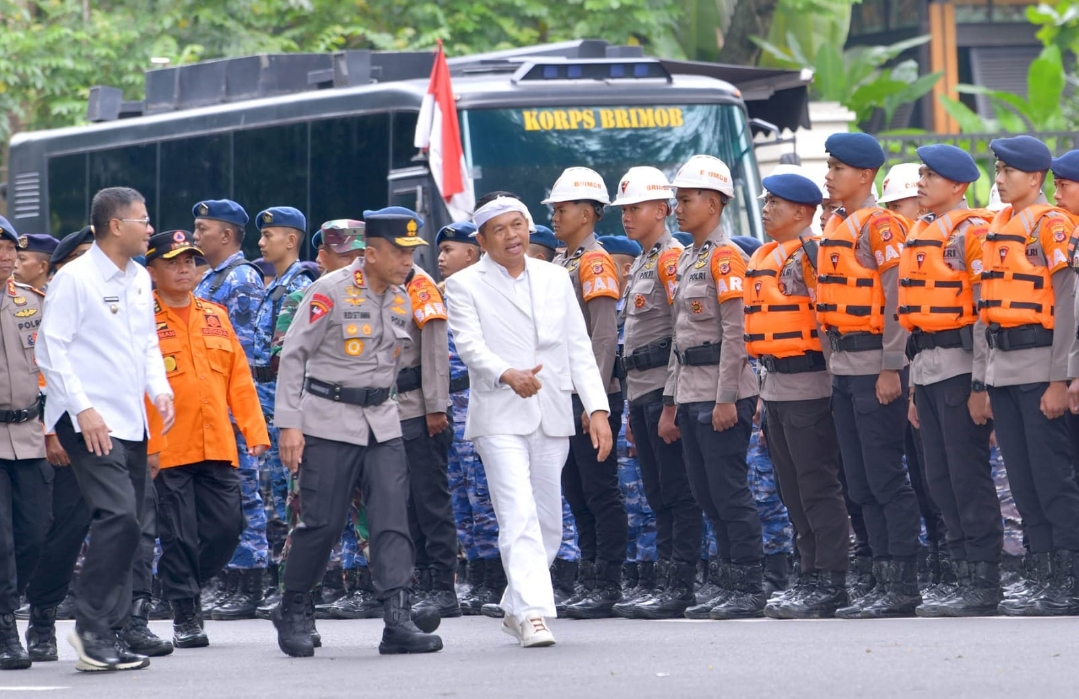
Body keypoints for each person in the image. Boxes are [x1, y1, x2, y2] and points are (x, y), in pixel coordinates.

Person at [273, 206, 442, 657]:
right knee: (322, 523)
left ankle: (397, 619)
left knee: (391, 519)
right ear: (371, 252)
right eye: (400, 252)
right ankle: (294, 609)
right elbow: (293, 357)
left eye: (412, 253)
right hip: (328, 419)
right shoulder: (328, 291)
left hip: (382, 422)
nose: (408, 262)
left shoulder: (403, 296)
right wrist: (290, 424)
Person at [445, 195, 612, 648]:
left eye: (517, 225)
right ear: (481, 241)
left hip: (553, 410)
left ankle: (514, 602)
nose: (511, 235)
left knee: (548, 522)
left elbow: (578, 347)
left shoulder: (556, 277)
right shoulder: (463, 286)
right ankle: (535, 614)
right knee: (516, 513)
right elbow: (470, 346)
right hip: (499, 412)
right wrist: (505, 373)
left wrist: (597, 410)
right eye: (498, 230)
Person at [37, 186, 175, 672]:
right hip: (88, 420)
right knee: (117, 516)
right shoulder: (74, 278)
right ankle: (90, 630)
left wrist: (159, 390)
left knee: (131, 524)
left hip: (129, 419)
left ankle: (110, 632)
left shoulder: (138, 277)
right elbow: (51, 349)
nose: (150, 228)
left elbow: (146, 346)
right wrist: (82, 409)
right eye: (144, 219)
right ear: (116, 225)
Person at [143, 229, 270, 647]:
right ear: (152, 269)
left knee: (227, 528)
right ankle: (185, 613)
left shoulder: (215, 314)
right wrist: (148, 448)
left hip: (217, 443)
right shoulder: (141, 318)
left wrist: (255, 431)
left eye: (190, 261)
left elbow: (239, 380)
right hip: (168, 447)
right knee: (178, 535)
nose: (184, 269)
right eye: (173, 262)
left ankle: (178, 585)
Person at [817, 133, 922, 620]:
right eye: (829, 166)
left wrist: (890, 366)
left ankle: (901, 581)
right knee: (858, 482)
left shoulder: (881, 226)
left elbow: (898, 299)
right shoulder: (838, 224)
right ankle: (879, 576)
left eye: (837, 168)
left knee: (885, 477)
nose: (829, 175)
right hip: (842, 369)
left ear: (865, 176)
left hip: (873, 368)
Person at [895, 145, 1003, 617]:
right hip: (928, 370)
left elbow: (984, 313)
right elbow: (915, 324)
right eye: (920, 173)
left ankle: (983, 579)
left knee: (966, 476)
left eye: (931, 175)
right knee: (939, 478)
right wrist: (915, 389)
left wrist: (982, 385)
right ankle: (961, 572)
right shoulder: (920, 232)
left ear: (958, 186)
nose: (921, 181)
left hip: (962, 368)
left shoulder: (973, 232)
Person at [741, 173, 850, 620]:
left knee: (816, 485)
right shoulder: (766, 254)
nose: (766, 209)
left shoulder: (812, 254)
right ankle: (809, 573)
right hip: (776, 385)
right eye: (765, 201)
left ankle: (831, 579)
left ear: (802, 213)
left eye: (775, 203)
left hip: (810, 384)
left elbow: (828, 323)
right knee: (791, 489)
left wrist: (834, 384)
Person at [982, 136, 1079, 617]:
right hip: (1004, 371)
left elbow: (1067, 305)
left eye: (1007, 171)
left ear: (1034, 178)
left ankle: (1069, 579)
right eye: (996, 170)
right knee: (1023, 482)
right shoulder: (998, 226)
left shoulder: (1053, 225)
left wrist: (1060, 379)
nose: (998, 179)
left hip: (1041, 367)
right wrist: (985, 380)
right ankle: (1043, 575)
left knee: (1052, 480)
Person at [664, 155, 764, 620]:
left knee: (728, 490)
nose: (677, 209)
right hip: (690, 390)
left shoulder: (727, 257)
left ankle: (748, 583)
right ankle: (727, 581)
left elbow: (736, 334)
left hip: (721, 392)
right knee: (706, 493)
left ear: (714, 203)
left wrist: (727, 397)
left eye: (685, 200)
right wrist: (672, 399)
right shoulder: (689, 256)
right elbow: (680, 337)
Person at [605, 168, 704, 621]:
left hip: (664, 392)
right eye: (623, 209)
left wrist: (670, 403)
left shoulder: (669, 259)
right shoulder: (644, 261)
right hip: (640, 390)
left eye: (635, 208)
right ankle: (666, 579)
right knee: (656, 492)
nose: (627, 217)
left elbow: (681, 334)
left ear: (661, 211)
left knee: (676, 492)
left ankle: (681, 582)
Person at [272, 221, 371, 623]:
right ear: (323, 258)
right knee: (309, 520)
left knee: (379, 516)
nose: (355, 265)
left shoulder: (382, 296)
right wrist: (291, 426)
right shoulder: (302, 299)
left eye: (360, 255)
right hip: (317, 424)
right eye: (346, 257)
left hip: (367, 424)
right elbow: (287, 363)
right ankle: (298, 605)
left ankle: (392, 599)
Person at [545, 167, 628, 620]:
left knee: (600, 489)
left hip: (591, 394)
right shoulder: (564, 262)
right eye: (554, 209)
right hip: (565, 394)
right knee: (576, 491)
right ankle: (590, 576)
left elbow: (601, 335)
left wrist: (592, 400)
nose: (556, 216)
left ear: (588, 212)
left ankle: (607, 580)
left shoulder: (595, 262)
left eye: (562, 208)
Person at [190, 199, 272, 620]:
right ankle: (229, 578)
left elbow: (236, 353)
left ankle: (249, 581)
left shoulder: (239, 280)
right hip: (210, 407)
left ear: (226, 235)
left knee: (243, 492)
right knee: (221, 495)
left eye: (202, 228)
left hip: (231, 406)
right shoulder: (212, 279)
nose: (195, 235)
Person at [435, 221, 507, 616]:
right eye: (441, 251)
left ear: (473, 252)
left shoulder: (488, 290)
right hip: (450, 400)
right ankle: (477, 575)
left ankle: (496, 578)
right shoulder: (442, 295)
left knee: (485, 495)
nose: (441, 258)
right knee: (462, 496)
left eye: (450, 249)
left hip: (477, 395)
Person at [251, 206, 315, 617]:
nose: (260, 242)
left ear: (291, 240)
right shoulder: (277, 284)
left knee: (295, 494)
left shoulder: (302, 284)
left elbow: (296, 355)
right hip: (268, 400)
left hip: (285, 402)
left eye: (268, 235)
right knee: (276, 494)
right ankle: (283, 580)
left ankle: (299, 584)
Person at [391, 211, 456, 617]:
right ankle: (419, 579)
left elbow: (434, 349)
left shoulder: (420, 285)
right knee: (404, 504)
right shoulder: (385, 285)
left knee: (430, 502)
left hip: (419, 408)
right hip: (391, 412)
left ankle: (443, 585)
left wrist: (436, 406)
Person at [0, 216, 50, 670]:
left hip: (31, 436)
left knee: (35, 533)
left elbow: (56, 368)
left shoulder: (35, 302)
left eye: (9, 247)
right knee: (1, 541)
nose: (3, 255)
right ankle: (5, 630)